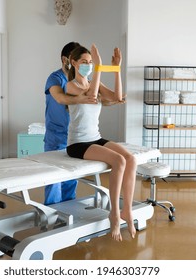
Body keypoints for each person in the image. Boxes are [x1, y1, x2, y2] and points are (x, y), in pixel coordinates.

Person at [66, 44, 136, 242]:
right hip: (77, 144)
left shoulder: (92, 82)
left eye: (90, 62)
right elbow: (92, 97)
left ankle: (127, 211)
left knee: (130, 159)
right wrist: (98, 66)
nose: (88, 65)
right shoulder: (70, 86)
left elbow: (117, 97)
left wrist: (116, 69)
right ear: (74, 63)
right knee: (119, 161)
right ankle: (114, 213)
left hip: (95, 137)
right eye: (84, 62)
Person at [44, 42, 97, 205]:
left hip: (75, 137)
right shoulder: (55, 78)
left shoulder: (83, 80)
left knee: (71, 178)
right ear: (66, 60)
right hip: (56, 136)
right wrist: (79, 98)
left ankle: (68, 212)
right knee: (53, 179)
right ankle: (51, 216)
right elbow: (60, 98)